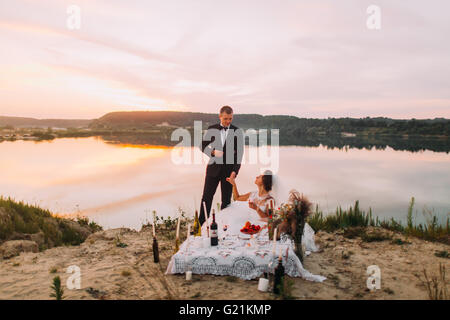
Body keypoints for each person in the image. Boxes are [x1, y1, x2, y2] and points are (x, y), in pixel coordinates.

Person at [198, 105, 244, 226]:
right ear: (220, 117)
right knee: (206, 198)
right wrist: (212, 152)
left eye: (230, 119)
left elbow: (239, 155)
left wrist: (235, 172)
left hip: (228, 173)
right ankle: (201, 226)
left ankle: (224, 227)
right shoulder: (212, 129)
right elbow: (201, 146)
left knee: (226, 202)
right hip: (213, 170)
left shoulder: (237, 132)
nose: (228, 121)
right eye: (226, 119)